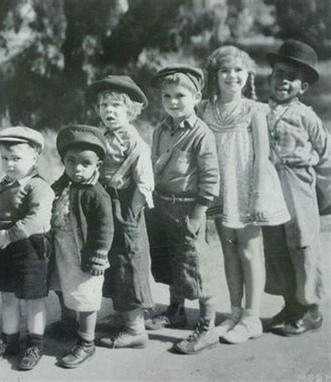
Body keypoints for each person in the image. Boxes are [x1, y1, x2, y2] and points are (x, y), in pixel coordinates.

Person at [199, 46, 290, 344]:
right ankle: (235, 311)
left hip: (248, 188)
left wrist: (256, 193)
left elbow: (262, 157)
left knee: (249, 251)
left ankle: (252, 318)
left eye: (238, 70)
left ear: (247, 74)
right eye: (225, 70)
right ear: (215, 75)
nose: (232, 76)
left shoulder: (254, 110)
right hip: (220, 189)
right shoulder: (205, 109)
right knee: (228, 251)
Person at [146, 66, 220, 354]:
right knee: (169, 262)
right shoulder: (159, 129)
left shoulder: (201, 134)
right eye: (167, 96)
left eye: (180, 95)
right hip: (163, 204)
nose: (173, 101)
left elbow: (210, 178)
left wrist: (199, 212)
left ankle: (206, 326)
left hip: (189, 208)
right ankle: (176, 310)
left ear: (196, 97)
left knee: (195, 266)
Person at [262, 39, 328, 336]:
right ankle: (291, 304)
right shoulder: (259, 112)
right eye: (279, 73)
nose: (283, 81)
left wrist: (323, 192)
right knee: (276, 243)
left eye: (292, 77)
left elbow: (326, 155)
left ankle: (310, 307)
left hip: (298, 184)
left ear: (303, 87)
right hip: (270, 185)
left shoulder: (307, 116)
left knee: (302, 244)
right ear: (270, 77)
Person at [86, 75, 155, 349]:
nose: (109, 111)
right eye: (104, 105)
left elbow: (144, 183)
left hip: (125, 206)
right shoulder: (99, 134)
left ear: (131, 110)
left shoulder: (135, 142)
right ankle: (123, 316)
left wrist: (130, 215)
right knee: (111, 262)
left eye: (116, 105)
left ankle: (135, 329)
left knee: (128, 264)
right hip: (103, 205)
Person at [0, 126, 55, 370]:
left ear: (34, 157)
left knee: (33, 299)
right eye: (5, 158)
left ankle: (35, 343)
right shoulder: (1, 186)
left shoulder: (38, 186)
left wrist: (10, 235)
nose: (9, 164)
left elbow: (36, 217)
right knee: (8, 296)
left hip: (31, 248)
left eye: (16, 159)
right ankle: (9, 339)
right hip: (4, 248)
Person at [50, 124, 114, 368]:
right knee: (61, 286)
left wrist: (99, 254)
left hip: (84, 254)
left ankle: (87, 342)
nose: (77, 168)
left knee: (85, 296)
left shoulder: (96, 194)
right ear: (63, 161)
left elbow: (105, 229)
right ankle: (68, 324)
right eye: (71, 161)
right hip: (61, 249)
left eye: (85, 163)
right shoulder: (62, 185)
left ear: (97, 164)